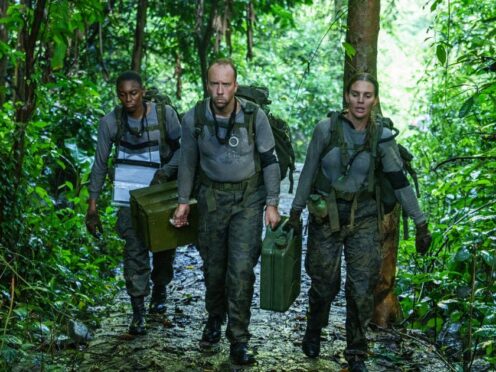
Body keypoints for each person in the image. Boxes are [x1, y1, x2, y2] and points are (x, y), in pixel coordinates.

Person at [288, 72, 432, 372]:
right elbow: (308, 171)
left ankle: (356, 349)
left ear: (375, 100)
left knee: (361, 286)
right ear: (346, 96)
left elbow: (399, 181)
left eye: (367, 95)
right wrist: (296, 211)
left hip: (364, 217)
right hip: (325, 215)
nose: (361, 101)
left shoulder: (381, 136)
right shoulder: (325, 129)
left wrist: (420, 223)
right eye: (355, 94)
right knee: (323, 282)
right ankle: (314, 330)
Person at [173, 59, 281, 365]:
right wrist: (183, 201)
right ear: (207, 84)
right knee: (214, 268)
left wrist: (271, 203)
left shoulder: (253, 115)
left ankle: (239, 339)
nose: (220, 91)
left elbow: (270, 160)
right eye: (214, 84)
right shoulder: (195, 116)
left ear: (235, 85)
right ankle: (214, 318)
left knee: (241, 270)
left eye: (226, 84)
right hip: (210, 199)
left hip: (248, 199)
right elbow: (187, 162)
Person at [85, 71, 181, 335]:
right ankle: (138, 310)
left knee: (164, 247)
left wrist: (166, 171)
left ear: (143, 91)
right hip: (128, 197)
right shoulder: (111, 122)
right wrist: (92, 206)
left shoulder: (165, 116)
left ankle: (159, 290)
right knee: (134, 250)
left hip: (160, 194)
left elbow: (186, 149)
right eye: (123, 94)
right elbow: (100, 164)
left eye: (133, 93)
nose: (128, 99)